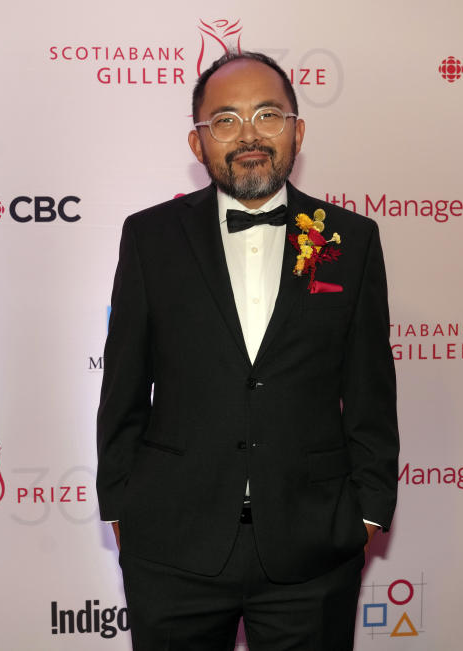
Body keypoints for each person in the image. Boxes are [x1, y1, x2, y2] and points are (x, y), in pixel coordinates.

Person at [96, 51, 399, 650]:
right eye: (226, 120)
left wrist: (366, 515)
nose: (250, 134)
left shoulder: (352, 240)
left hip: (313, 546)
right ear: (198, 141)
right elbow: (123, 385)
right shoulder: (150, 238)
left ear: (297, 130)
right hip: (172, 544)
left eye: (268, 114)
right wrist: (124, 506)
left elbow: (370, 391)